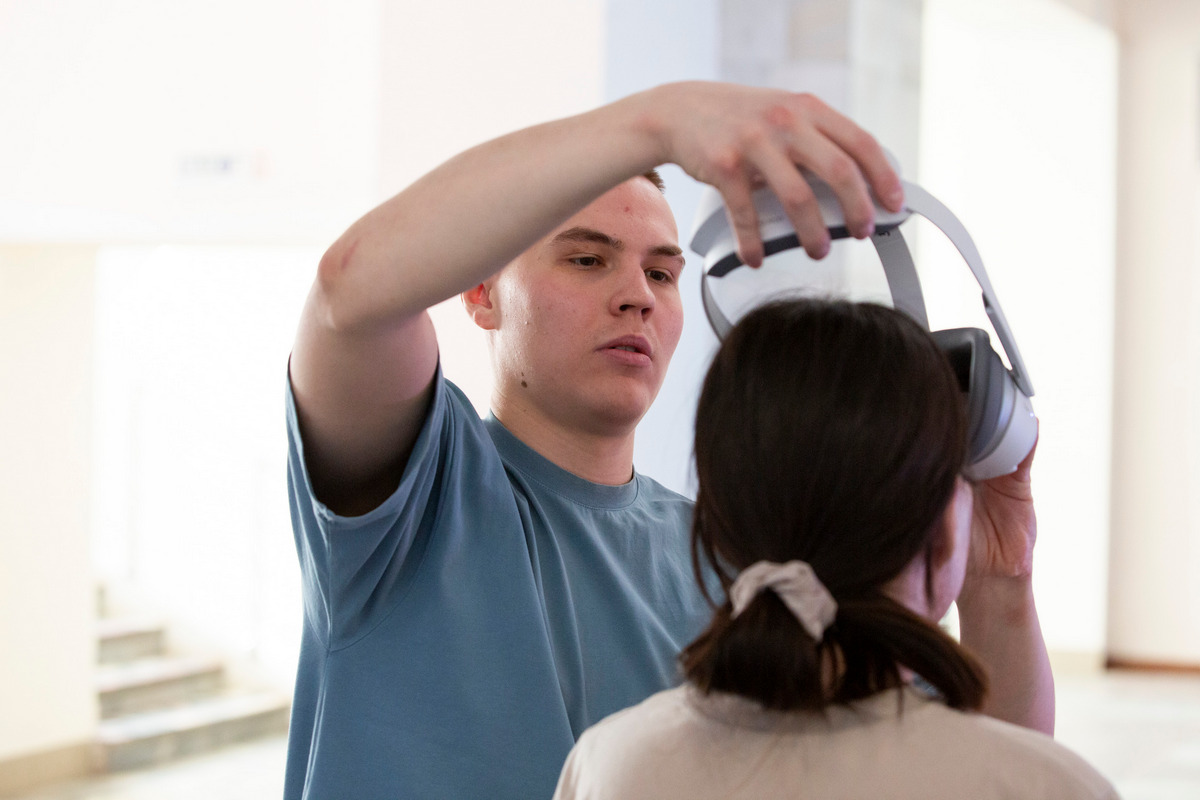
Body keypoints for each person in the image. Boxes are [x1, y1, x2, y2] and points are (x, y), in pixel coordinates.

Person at [284, 81, 1053, 800]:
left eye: (661, 274)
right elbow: (349, 293)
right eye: (587, 259)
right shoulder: (418, 495)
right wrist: (658, 122)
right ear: (482, 294)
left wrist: (1001, 583)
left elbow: (981, 771)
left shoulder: (743, 563)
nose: (637, 297)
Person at [551, 298, 1115, 800]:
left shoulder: (612, 767)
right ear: (946, 531)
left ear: (717, 530)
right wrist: (1002, 577)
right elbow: (999, 766)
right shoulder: (1043, 785)